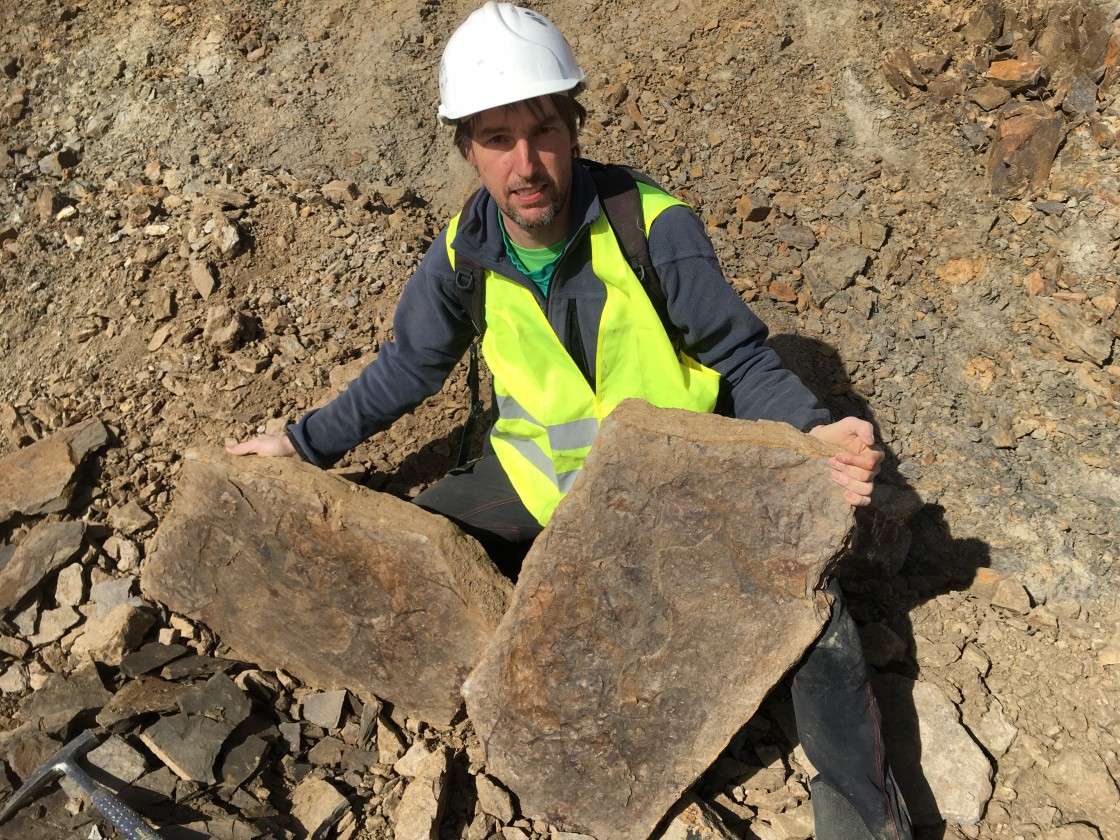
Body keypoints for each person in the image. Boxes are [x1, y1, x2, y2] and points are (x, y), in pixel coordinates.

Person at [229, 4, 911, 840]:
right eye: (495, 138)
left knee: (820, 624)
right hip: (536, 484)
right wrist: (299, 445)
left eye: (543, 130)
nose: (526, 163)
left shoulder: (653, 229)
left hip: (676, 500)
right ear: (466, 149)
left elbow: (741, 359)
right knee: (406, 547)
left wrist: (813, 434)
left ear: (574, 124)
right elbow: (408, 368)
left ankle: (867, 826)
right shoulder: (460, 255)